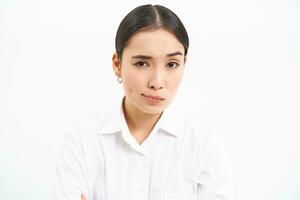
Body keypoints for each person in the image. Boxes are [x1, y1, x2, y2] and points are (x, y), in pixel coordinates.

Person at [54, 4, 235, 200]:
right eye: (141, 63)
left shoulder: (204, 145)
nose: (157, 82)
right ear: (117, 64)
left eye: (172, 64)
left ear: (184, 64)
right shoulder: (82, 141)